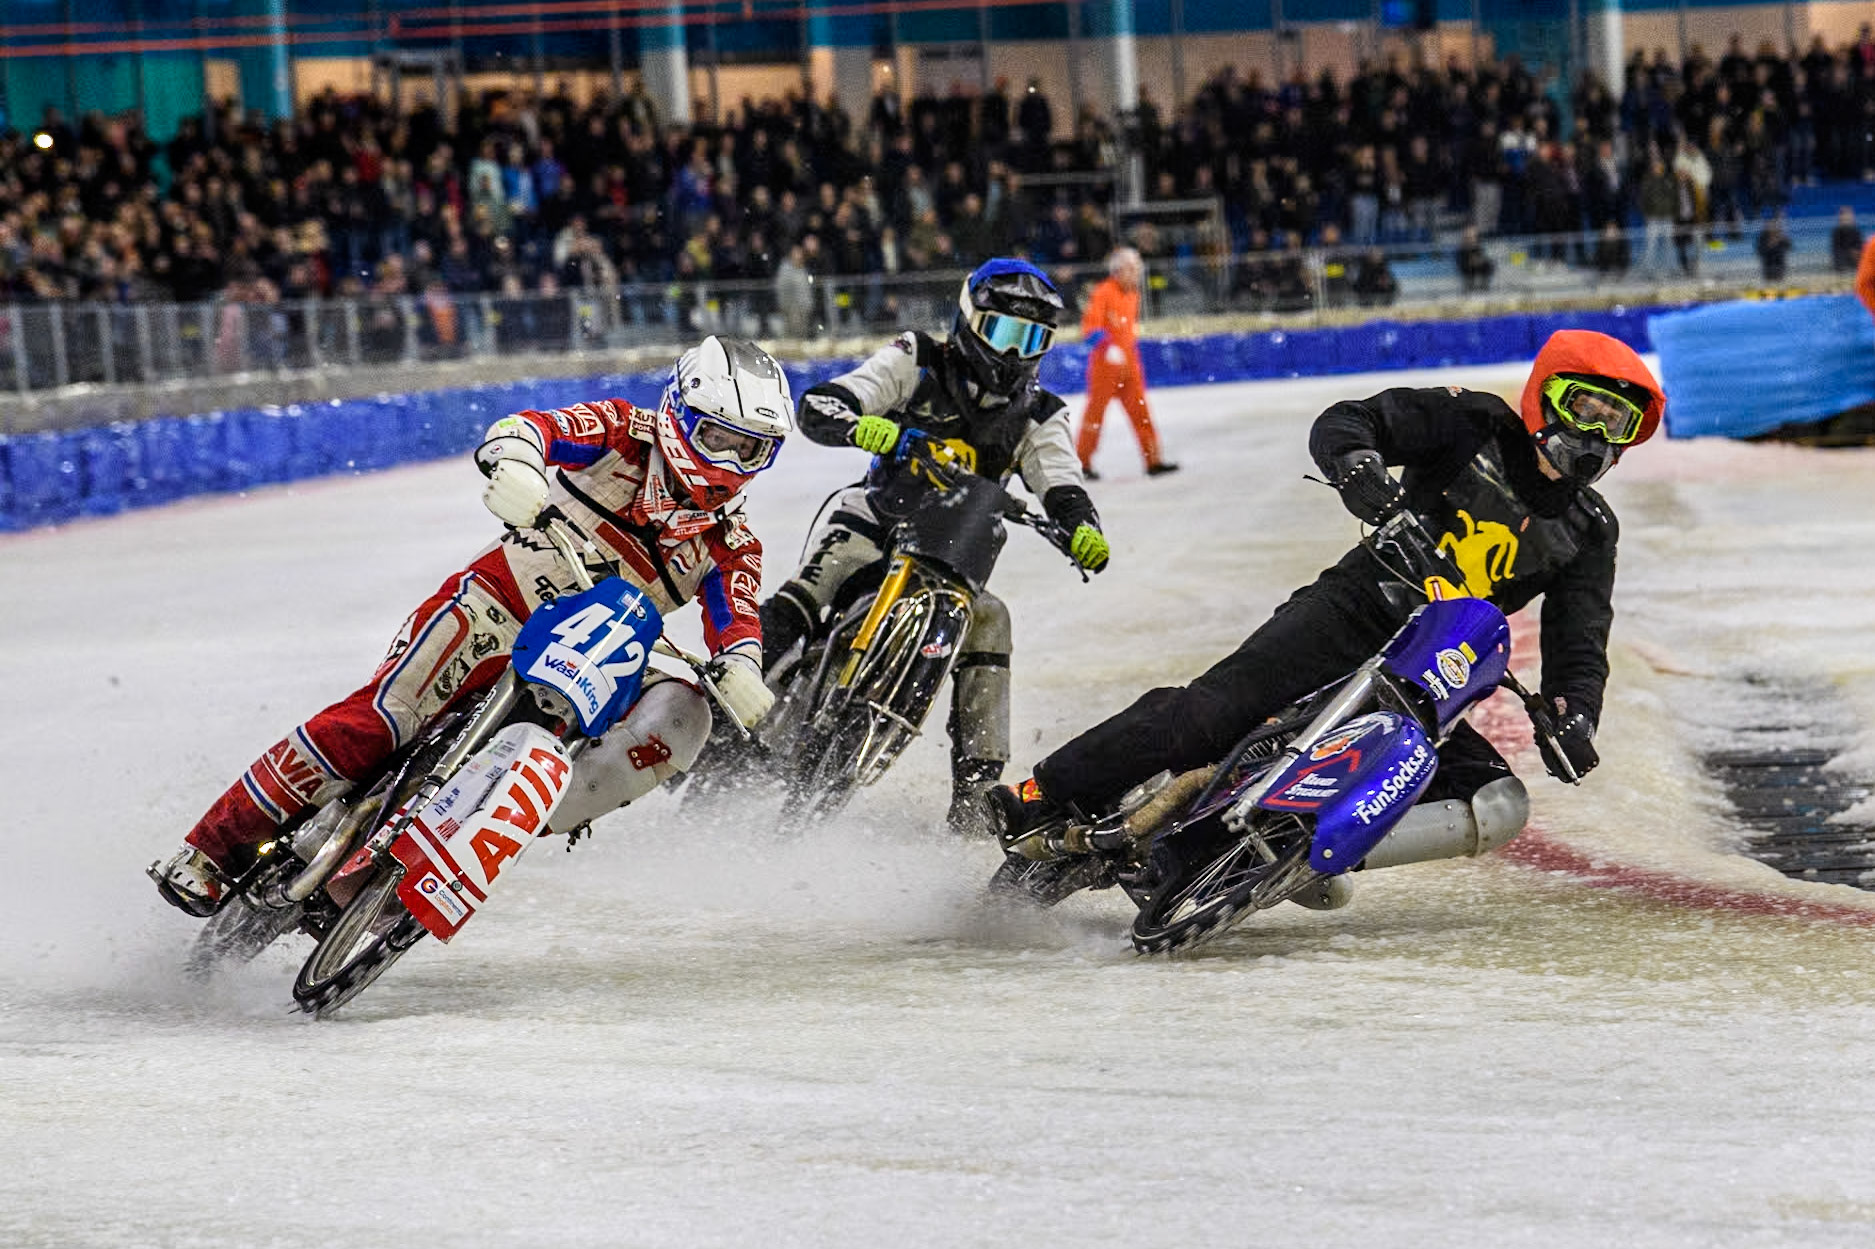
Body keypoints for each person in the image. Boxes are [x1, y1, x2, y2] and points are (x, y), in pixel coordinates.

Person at [151, 337, 794, 915]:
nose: (731, 462)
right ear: (680, 412)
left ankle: (527, 817)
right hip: (495, 607)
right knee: (382, 720)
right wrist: (515, 464)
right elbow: (533, 428)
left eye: (753, 449)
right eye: (720, 438)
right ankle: (212, 849)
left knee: (687, 715)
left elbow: (737, 618)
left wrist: (740, 667)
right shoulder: (625, 432)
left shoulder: (732, 543)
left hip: (596, 663)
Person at [990, 330, 1665, 873]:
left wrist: (1575, 716)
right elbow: (1353, 420)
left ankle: (1301, 859)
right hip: (1355, 609)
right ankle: (1042, 791)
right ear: (1546, 396)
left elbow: (1580, 639)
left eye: (1618, 422)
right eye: (1586, 408)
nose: (1596, 435)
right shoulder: (1472, 421)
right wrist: (1357, 468)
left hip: (1436, 673)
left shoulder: (1588, 530)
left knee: (1494, 802)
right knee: (1209, 714)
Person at [757, 258, 1111, 831]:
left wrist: (1083, 527)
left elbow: (1060, 480)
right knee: (815, 583)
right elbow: (826, 403)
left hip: (955, 545)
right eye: (1004, 332)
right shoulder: (917, 357)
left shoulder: (1040, 413)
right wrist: (861, 424)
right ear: (970, 320)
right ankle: (731, 711)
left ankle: (975, 789)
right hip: (875, 518)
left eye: (1033, 339)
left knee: (991, 618)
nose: (1016, 353)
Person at [1075, 247, 1177, 479]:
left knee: (1141, 412)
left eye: (1137, 268)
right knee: (1095, 415)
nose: (1137, 273)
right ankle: (1082, 463)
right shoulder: (1103, 292)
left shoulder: (1133, 294)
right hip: (1105, 365)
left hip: (1129, 364)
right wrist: (1107, 347)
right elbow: (1089, 328)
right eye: (1133, 268)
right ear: (1119, 270)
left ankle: (1154, 460)